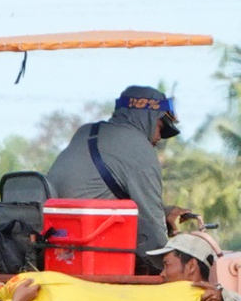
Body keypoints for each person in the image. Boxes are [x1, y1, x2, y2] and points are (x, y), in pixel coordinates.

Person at [46, 85, 181, 274]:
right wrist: (170, 268)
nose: (159, 138)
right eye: (160, 127)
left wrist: (165, 211)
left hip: (58, 246)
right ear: (148, 118)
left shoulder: (88, 131)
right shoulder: (139, 148)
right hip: (94, 252)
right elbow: (152, 221)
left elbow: (92, 190)